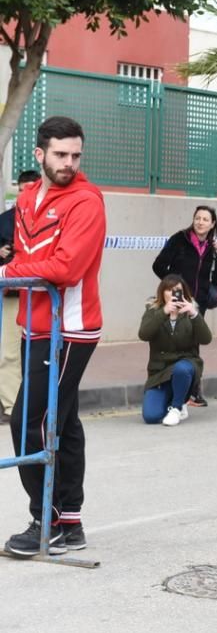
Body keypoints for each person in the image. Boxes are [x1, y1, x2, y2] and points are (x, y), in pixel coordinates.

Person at [0, 117, 105, 557]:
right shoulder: (26, 198)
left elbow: (64, 268)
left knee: (31, 422)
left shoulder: (86, 201)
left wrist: (6, 272)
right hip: (35, 326)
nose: (69, 163)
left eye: (75, 155)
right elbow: (31, 256)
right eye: (60, 155)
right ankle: (70, 521)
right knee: (64, 421)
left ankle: (48, 520)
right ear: (40, 155)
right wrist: (17, 272)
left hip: (72, 328)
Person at [152, 205, 217, 407]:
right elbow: (158, 265)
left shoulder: (212, 247)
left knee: (193, 346)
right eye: (198, 218)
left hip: (198, 303)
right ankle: (168, 386)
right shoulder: (180, 239)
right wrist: (174, 287)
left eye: (205, 219)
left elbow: (216, 279)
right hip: (178, 300)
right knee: (173, 341)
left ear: (212, 224)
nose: (200, 222)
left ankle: (192, 392)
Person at [138, 275, 212, 426]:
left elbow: (206, 339)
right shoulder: (153, 310)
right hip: (160, 372)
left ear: (183, 293)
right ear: (162, 293)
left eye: (177, 290)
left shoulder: (190, 310)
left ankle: (177, 407)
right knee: (151, 417)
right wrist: (164, 312)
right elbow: (143, 334)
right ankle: (176, 397)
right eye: (169, 290)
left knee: (181, 369)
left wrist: (194, 314)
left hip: (185, 364)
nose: (173, 294)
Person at [0, 170, 39, 425]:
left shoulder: (48, 218)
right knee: (10, 354)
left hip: (40, 296)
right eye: (22, 188)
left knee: (38, 354)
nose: (26, 193)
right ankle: (12, 406)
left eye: (31, 188)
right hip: (11, 296)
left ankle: (33, 406)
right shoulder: (4, 220)